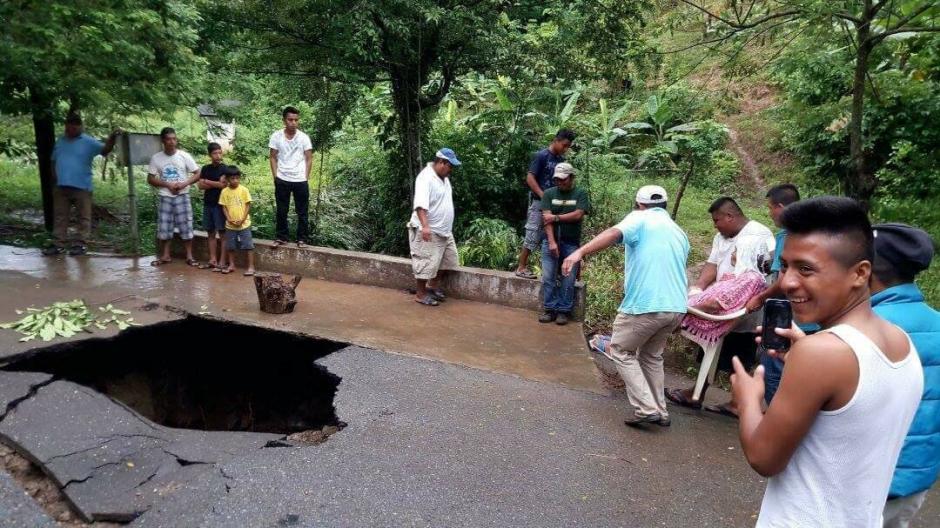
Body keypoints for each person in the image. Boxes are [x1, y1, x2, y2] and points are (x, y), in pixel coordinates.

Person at [731, 197, 923, 528]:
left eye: (806, 269)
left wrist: (748, 399)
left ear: (860, 273)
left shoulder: (821, 353)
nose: (788, 282)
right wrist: (807, 354)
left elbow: (764, 458)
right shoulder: (901, 342)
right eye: (785, 266)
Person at [562, 185, 689, 427]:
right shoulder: (678, 231)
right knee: (651, 356)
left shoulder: (639, 217)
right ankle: (660, 411)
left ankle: (647, 408)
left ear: (640, 204)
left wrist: (579, 252)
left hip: (646, 304)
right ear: (664, 205)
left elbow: (613, 233)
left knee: (620, 350)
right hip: (676, 306)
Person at [666, 196, 775, 415]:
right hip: (724, 301)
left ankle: (736, 402)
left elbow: (763, 268)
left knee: (739, 355)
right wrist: (698, 288)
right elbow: (712, 264)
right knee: (710, 351)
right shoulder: (721, 237)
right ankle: (698, 392)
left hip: (743, 306)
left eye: (717, 220)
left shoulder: (759, 235)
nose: (715, 225)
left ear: (730, 216)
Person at [869, 224, 939, 528]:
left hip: (864, 480)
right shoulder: (938, 323)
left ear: (863, 270)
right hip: (916, 479)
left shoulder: (862, 328)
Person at [744, 183, 808, 404]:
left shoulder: (787, 236)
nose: (770, 213)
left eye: (770, 208)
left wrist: (760, 297)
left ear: (780, 207)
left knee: (773, 371)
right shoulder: (812, 234)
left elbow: (783, 281)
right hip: (809, 320)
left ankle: (775, 416)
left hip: (784, 316)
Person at [43, 113, 120, 256]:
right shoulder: (61, 141)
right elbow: (53, 160)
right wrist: (55, 178)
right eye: (69, 126)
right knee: (60, 216)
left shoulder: (88, 141)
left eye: (75, 126)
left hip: (82, 186)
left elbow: (105, 150)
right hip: (61, 186)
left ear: (80, 127)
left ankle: (80, 244)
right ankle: (58, 244)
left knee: (83, 217)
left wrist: (112, 138)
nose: (71, 129)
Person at [514, 129, 576, 279]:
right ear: (556, 140)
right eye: (564, 145)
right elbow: (530, 178)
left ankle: (554, 272)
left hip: (555, 204)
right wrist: (544, 196)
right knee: (533, 233)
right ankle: (521, 267)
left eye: (568, 147)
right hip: (538, 202)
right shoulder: (541, 156)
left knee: (554, 237)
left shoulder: (561, 161)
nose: (565, 149)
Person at [538, 163, 591, 326]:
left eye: (563, 179)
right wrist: (552, 242)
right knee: (548, 277)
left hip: (571, 243)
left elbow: (578, 214)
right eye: (557, 179)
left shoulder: (580, 193)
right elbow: (546, 219)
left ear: (571, 177)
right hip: (550, 241)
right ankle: (549, 309)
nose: (560, 182)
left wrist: (556, 217)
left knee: (568, 278)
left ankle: (563, 310)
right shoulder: (548, 193)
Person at [408, 149, 461, 307]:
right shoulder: (426, 178)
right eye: (450, 166)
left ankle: (431, 287)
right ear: (441, 162)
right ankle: (420, 294)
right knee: (424, 262)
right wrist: (425, 226)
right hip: (428, 229)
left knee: (449, 261)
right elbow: (420, 205)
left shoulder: (444, 178)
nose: (451, 170)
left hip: (444, 231)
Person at [147, 127, 201, 267]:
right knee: (164, 226)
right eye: (168, 139)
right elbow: (150, 179)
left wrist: (184, 184)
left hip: (182, 195)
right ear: (163, 141)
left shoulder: (184, 156)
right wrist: (167, 184)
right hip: (165, 196)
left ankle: (189, 256)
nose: (172, 142)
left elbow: (198, 173)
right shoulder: (156, 158)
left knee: (186, 224)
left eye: (174, 139)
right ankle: (165, 255)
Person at [269, 106, 313, 247]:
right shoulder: (276, 136)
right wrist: (275, 177)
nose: (293, 122)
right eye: (290, 119)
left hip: (300, 179)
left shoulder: (304, 137)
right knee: (282, 210)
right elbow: (272, 157)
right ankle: (281, 237)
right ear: (284, 120)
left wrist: (305, 177)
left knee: (302, 211)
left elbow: (309, 158)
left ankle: (302, 239)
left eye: (296, 120)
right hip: (282, 178)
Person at [197, 142, 228, 271]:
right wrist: (214, 183)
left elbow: (223, 185)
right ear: (210, 155)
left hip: (220, 204)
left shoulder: (225, 169)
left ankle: (222, 261)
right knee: (210, 232)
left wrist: (207, 181)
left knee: (222, 233)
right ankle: (213, 259)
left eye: (220, 153)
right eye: (215, 153)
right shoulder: (205, 168)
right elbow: (200, 186)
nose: (218, 155)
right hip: (208, 204)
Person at [218, 166, 254, 276]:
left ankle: (251, 267)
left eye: (237, 178)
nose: (235, 181)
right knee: (230, 246)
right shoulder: (224, 191)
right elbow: (224, 207)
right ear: (227, 179)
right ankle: (231, 265)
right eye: (232, 178)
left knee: (248, 245)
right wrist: (228, 218)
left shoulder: (244, 190)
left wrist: (243, 219)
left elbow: (248, 205)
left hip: (244, 224)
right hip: (230, 225)